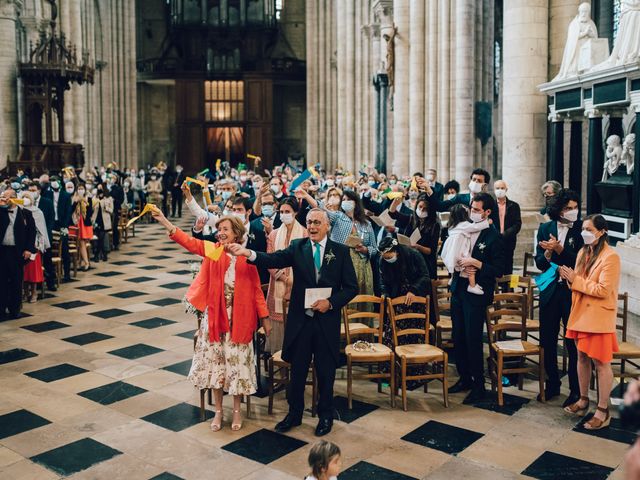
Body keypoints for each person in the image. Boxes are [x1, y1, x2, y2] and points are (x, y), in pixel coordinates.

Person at [227, 208, 358, 436]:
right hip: (302, 322)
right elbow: (274, 258)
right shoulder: (298, 247)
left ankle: (325, 415)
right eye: (309, 222)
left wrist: (331, 303)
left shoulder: (341, 252)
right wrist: (248, 253)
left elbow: (351, 287)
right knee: (297, 372)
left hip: (326, 321)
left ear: (327, 226)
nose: (313, 226)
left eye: (317, 222)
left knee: (326, 372)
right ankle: (294, 414)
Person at [152, 208, 269, 432]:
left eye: (225, 229)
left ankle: (236, 411)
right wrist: (165, 221)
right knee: (217, 365)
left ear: (236, 233)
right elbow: (189, 242)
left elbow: (256, 291)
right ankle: (217, 411)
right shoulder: (214, 252)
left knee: (235, 366)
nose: (220, 233)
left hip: (240, 319)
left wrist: (265, 318)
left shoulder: (246, 256)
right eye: (218, 229)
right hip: (216, 318)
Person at [561, 214, 620, 430]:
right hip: (579, 314)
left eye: (589, 229)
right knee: (581, 358)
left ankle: (603, 411)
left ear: (602, 231)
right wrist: (569, 280)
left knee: (601, 363)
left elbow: (603, 290)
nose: (584, 233)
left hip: (598, 317)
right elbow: (578, 281)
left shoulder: (610, 257)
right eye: (583, 229)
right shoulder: (583, 252)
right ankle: (584, 399)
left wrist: (575, 280)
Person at [447, 193, 504, 402]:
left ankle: (479, 384)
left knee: (472, 338)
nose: (473, 212)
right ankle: (464, 378)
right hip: (459, 288)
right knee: (458, 336)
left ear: (488, 212)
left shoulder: (493, 236)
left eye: (477, 209)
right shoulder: (466, 229)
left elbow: (499, 269)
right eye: (472, 208)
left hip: (477, 292)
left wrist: (477, 263)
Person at [535, 189, 583, 406]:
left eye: (575, 208)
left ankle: (575, 390)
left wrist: (560, 249)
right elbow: (539, 263)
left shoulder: (582, 230)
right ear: (558, 209)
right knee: (547, 339)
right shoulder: (546, 228)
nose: (573, 212)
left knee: (572, 342)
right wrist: (546, 253)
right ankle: (552, 383)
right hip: (550, 290)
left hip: (571, 292)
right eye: (568, 208)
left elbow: (580, 262)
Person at [265, 197, 308, 353]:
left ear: (295, 212)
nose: (284, 215)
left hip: (299, 286)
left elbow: (307, 263)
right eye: (281, 212)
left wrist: (293, 280)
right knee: (279, 329)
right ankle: (280, 362)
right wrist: (285, 278)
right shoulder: (274, 235)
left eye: (287, 212)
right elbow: (269, 261)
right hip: (277, 285)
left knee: (299, 326)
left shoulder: (305, 233)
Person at [0, 189, 36, 320]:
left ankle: (15, 309)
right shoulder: (1, 211)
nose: (4, 199)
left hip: (17, 252)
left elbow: (32, 233)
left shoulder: (25, 214)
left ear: (14, 198)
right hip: (3, 251)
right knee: (2, 282)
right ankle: (1, 309)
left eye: (6, 197)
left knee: (16, 281)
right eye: (3, 197)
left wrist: (28, 249)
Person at [389, 193, 441, 279]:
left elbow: (431, 251)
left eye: (425, 209)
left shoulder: (435, 225)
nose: (421, 210)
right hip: (410, 260)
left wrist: (418, 246)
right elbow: (392, 214)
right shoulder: (411, 219)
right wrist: (395, 202)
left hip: (425, 263)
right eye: (420, 207)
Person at [441, 204, 489, 295]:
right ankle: (472, 285)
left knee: (455, 265)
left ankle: (452, 278)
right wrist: (487, 222)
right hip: (460, 248)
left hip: (452, 249)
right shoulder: (464, 224)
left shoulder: (452, 225)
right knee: (469, 266)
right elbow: (475, 227)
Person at [42, 176, 73, 282]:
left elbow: (68, 212)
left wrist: (64, 225)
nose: (53, 183)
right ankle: (51, 274)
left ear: (59, 182)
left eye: (55, 181)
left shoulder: (66, 195)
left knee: (64, 247)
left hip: (63, 225)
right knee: (50, 248)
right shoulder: (47, 194)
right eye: (51, 181)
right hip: (51, 224)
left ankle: (67, 273)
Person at [20, 192, 50, 303]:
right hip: (22, 246)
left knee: (32, 271)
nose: (25, 199)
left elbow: (41, 229)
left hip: (35, 245)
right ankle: (25, 292)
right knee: (24, 271)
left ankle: (34, 292)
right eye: (23, 197)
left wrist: (39, 244)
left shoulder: (38, 212)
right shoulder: (19, 211)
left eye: (27, 197)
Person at [490, 180, 522, 274]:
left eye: (502, 188)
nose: (500, 190)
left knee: (508, 266)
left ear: (506, 189)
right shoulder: (491, 205)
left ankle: (509, 288)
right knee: (495, 266)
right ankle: (495, 287)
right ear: (494, 190)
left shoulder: (514, 206)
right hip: (494, 241)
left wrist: (505, 234)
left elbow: (517, 224)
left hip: (508, 240)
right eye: (497, 188)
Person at [71, 183, 95, 271]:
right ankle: (84, 262)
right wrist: (76, 201)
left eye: (82, 189)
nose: (80, 190)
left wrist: (84, 202)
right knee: (81, 243)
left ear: (85, 190)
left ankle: (85, 262)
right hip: (77, 222)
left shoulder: (88, 198)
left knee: (82, 243)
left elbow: (89, 213)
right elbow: (71, 210)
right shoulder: (74, 198)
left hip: (85, 223)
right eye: (79, 189)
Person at [92, 183, 114, 263]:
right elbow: (91, 209)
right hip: (96, 220)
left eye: (101, 187)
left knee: (102, 237)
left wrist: (106, 207)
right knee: (96, 238)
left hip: (104, 221)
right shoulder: (94, 198)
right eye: (98, 188)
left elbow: (111, 210)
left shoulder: (109, 198)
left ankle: (100, 254)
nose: (100, 189)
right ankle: (99, 254)